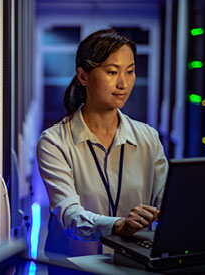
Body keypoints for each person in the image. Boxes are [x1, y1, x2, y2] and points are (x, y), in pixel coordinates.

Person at [36, 29, 168, 257]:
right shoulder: (54, 142)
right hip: (74, 267)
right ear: (83, 76)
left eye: (130, 71)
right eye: (112, 72)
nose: (123, 83)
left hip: (134, 264)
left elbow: (167, 202)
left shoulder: (148, 138)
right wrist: (118, 225)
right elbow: (70, 215)